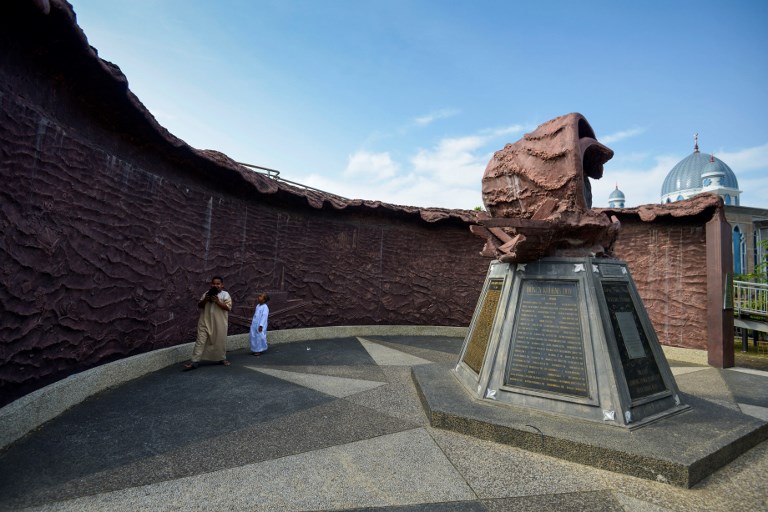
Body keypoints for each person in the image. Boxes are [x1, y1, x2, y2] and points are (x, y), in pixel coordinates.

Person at [183, 276, 233, 370]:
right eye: (214, 283)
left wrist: (217, 301)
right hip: (204, 322)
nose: (215, 285)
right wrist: (206, 299)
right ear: (211, 284)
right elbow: (199, 305)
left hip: (219, 324)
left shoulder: (225, 295)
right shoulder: (206, 294)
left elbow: (228, 308)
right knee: (200, 341)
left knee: (220, 341)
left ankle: (222, 358)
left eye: (218, 284)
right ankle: (195, 361)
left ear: (222, 285)